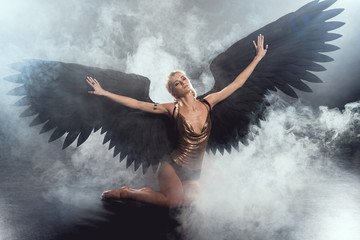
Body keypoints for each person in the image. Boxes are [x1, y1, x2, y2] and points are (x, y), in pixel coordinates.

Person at [86, 34, 268, 208]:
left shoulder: (208, 103)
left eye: (183, 78)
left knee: (190, 204)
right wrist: (104, 92)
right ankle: (127, 193)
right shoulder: (171, 109)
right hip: (173, 166)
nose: (183, 82)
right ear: (173, 92)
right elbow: (136, 103)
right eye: (177, 83)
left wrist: (258, 58)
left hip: (194, 171)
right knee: (172, 203)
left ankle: (148, 192)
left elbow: (236, 84)